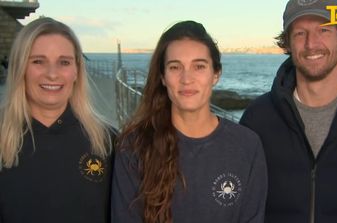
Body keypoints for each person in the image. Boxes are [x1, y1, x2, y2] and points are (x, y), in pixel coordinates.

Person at [240, 0, 337, 222]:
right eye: (300, 33)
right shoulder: (258, 118)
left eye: (323, 30)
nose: (311, 44)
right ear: (288, 44)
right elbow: (238, 202)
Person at [111, 20, 267, 223]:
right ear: (163, 77)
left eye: (199, 66)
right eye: (175, 67)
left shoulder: (247, 146)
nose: (187, 78)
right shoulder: (134, 147)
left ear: (216, 74)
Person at [0, 17, 115, 223]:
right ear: (20, 69)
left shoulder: (109, 141)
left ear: (76, 71)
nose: (52, 74)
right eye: (38, 61)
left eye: (64, 62)